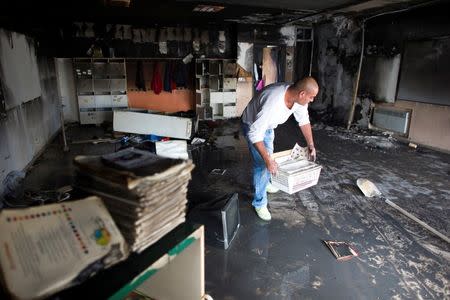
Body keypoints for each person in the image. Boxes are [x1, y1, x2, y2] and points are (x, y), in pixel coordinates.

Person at [241, 76, 319, 221]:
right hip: (252, 125)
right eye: (311, 97)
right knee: (263, 164)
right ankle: (259, 203)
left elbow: (304, 121)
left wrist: (311, 145)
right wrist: (267, 160)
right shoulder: (273, 103)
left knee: (268, 160)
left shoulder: (299, 99)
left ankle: (265, 183)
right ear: (302, 94)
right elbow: (255, 134)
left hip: (268, 126)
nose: (312, 100)